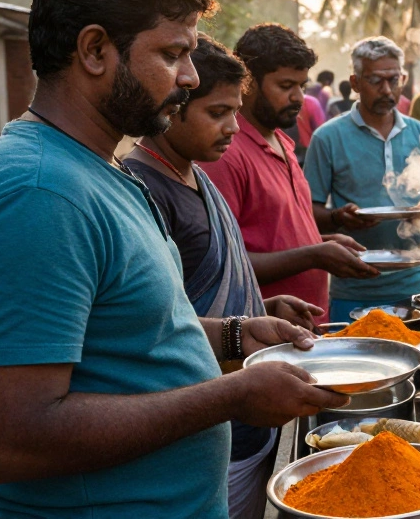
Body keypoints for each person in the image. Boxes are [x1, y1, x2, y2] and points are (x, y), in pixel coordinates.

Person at [0, 0, 346, 517]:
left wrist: (236, 335)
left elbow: (131, 331)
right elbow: (10, 440)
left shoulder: (96, 172)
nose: (187, 76)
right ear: (96, 50)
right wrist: (230, 396)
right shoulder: (37, 193)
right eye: (172, 54)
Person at [124, 35, 327, 518]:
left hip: (244, 413)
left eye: (235, 112)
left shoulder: (195, 172)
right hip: (202, 423)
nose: (233, 128)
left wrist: (261, 310)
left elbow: (210, 286)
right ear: (172, 107)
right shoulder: (145, 188)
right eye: (217, 113)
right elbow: (155, 326)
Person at [203, 23, 377, 323]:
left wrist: (323, 242)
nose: (298, 97)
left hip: (307, 326)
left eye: (302, 86)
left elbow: (273, 234)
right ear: (249, 83)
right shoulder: (226, 154)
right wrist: (314, 256)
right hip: (264, 334)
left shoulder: (282, 141)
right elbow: (223, 266)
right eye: (286, 86)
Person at [306, 37, 420, 320]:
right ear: (356, 82)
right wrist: (339, 217)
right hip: (354, 289)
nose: (387, 90)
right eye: (375, 81)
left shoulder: (419, 132)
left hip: (415, 284)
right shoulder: (328, 137)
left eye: (394, 80)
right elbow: (309, 212)